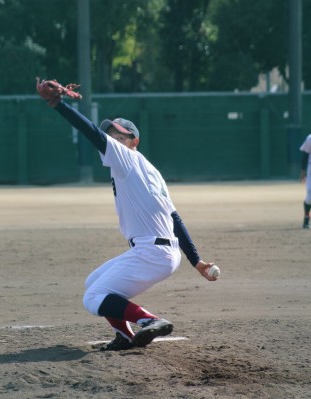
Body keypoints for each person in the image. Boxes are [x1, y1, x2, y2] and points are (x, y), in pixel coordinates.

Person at [37, 80, 219, 351]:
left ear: (134, 142)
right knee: (94, 282)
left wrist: (58, 104)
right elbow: (175, 218)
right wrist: (198, 262)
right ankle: (124, 336)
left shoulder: (127, 159)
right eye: (112, 136)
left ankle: (149, 320)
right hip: (160, 251)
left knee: (93, 297)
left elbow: (91, 134)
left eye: (120, 136)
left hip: (152, 252)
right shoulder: (150, 170)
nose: (114, 140)